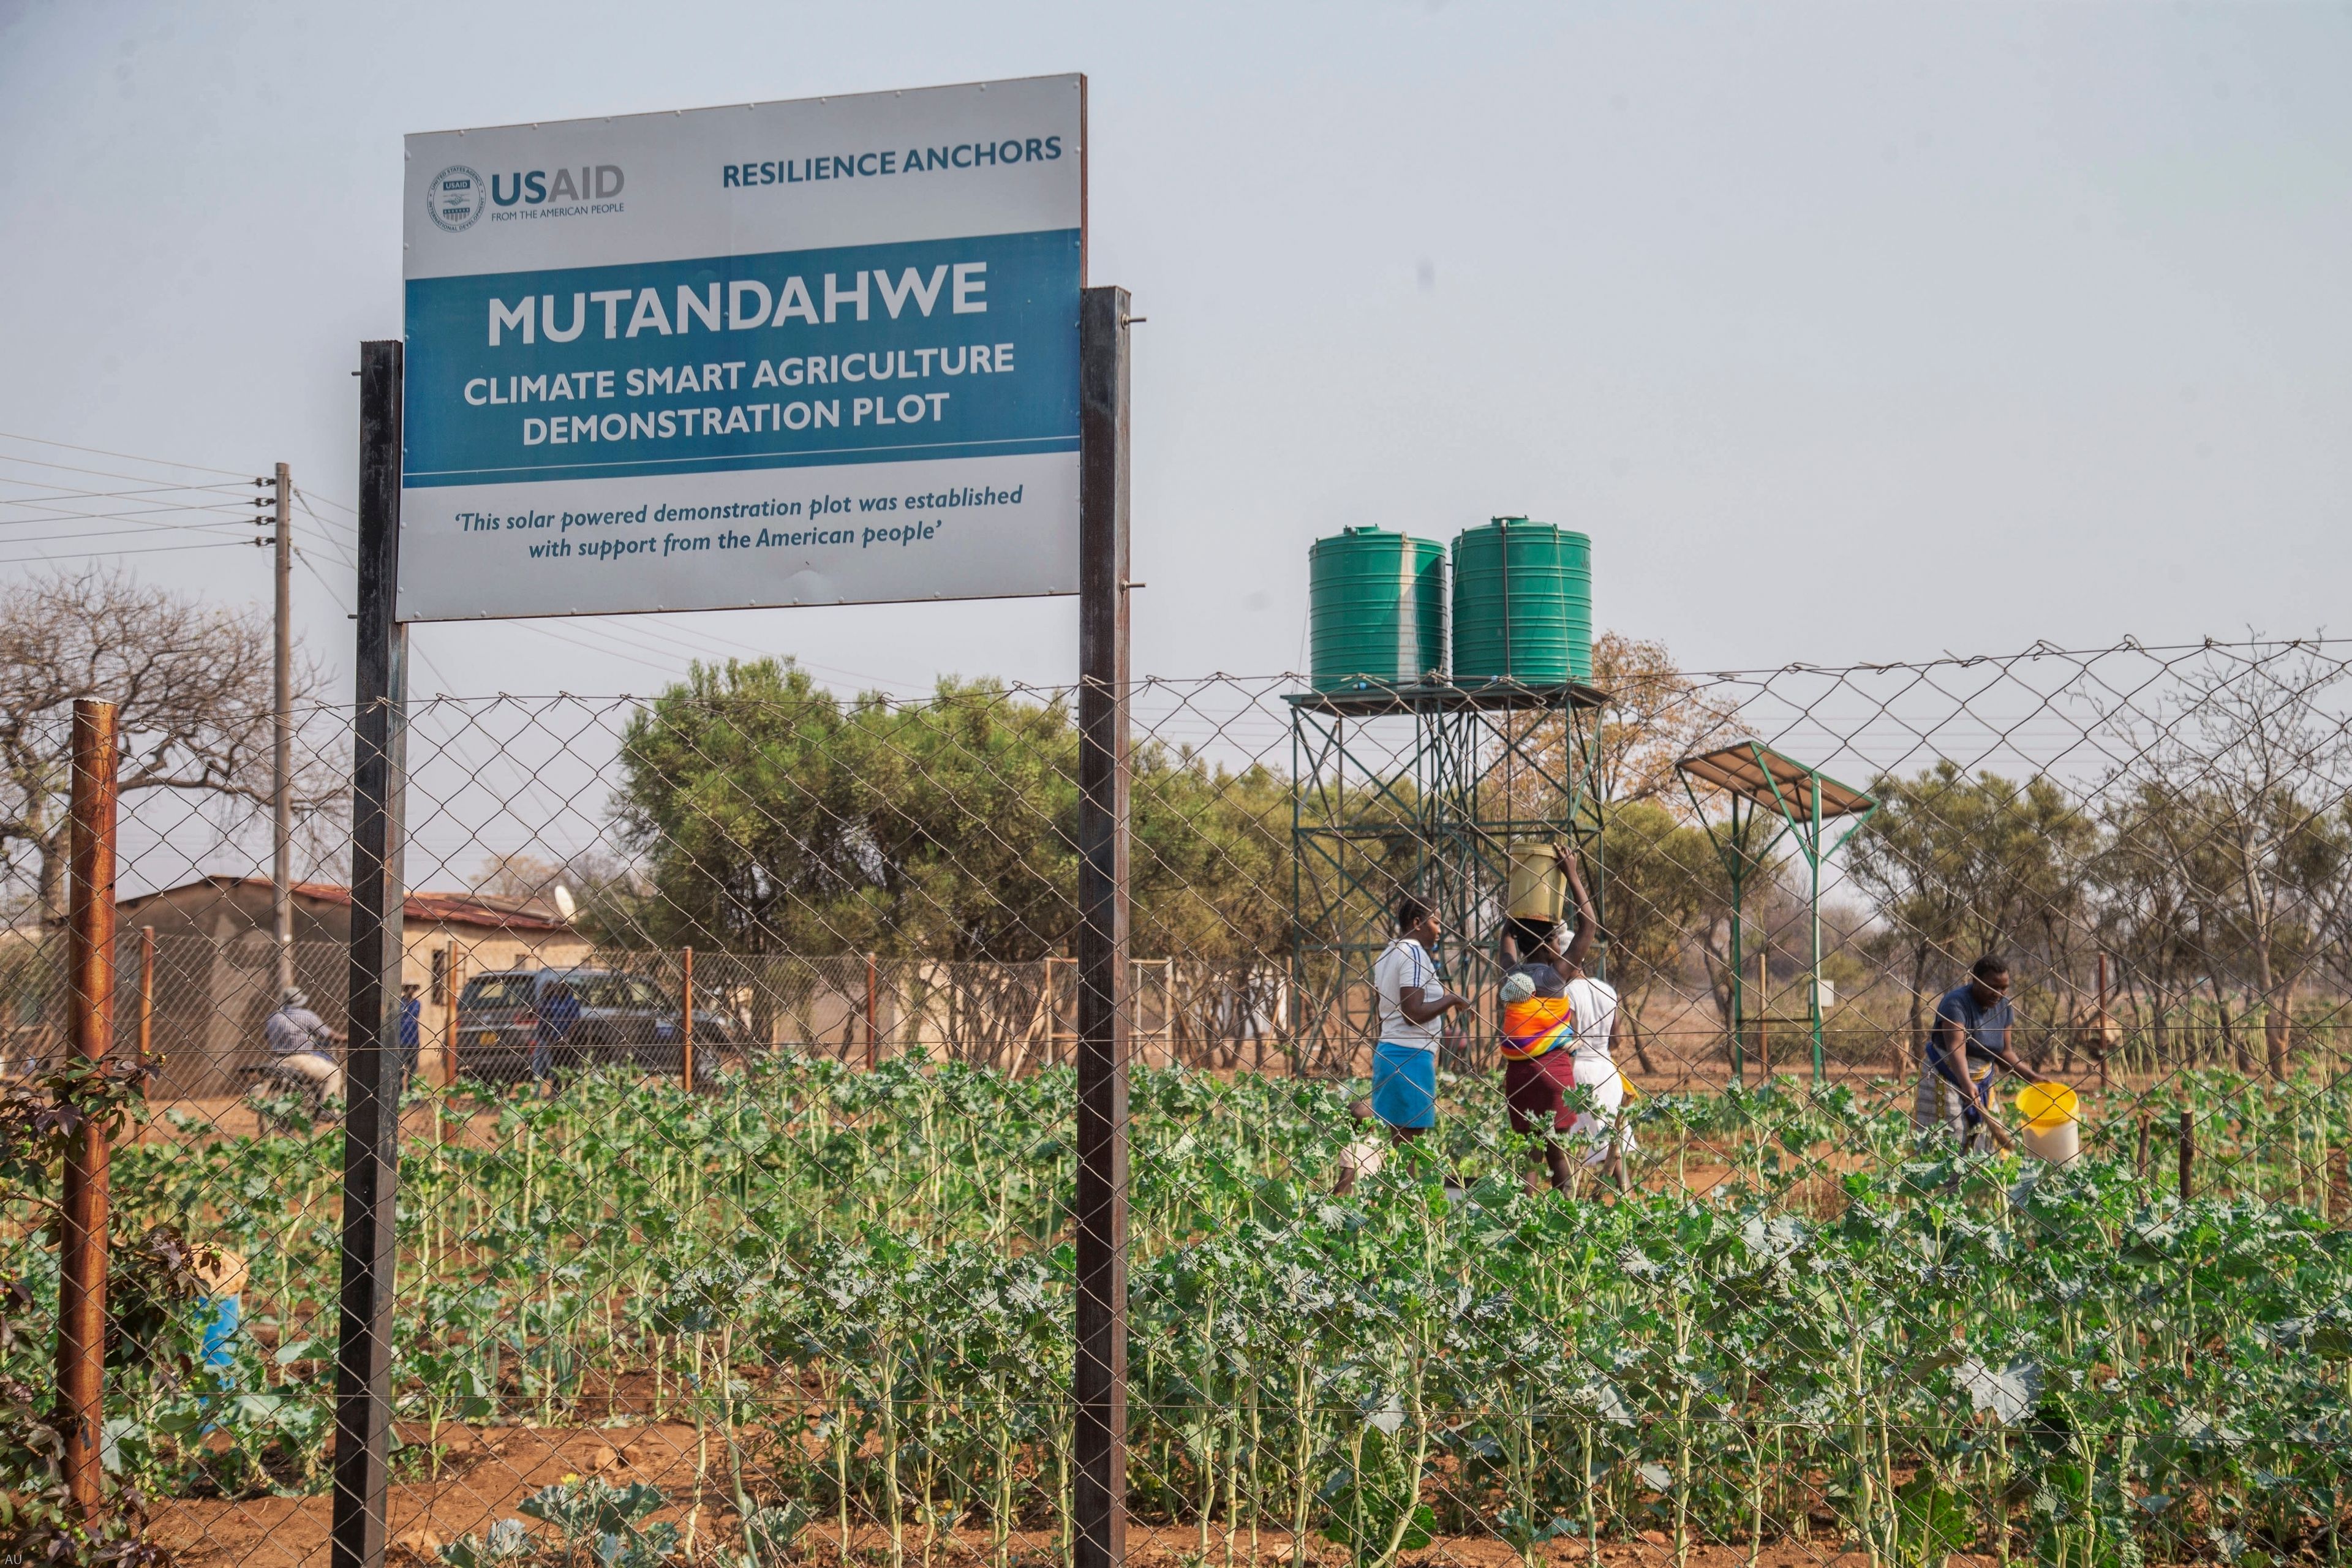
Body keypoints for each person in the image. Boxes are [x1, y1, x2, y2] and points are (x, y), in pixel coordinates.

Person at [1498, 847, 1626, 1193]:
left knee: (1530, 1156)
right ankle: (1565, 1210)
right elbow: (1590, 924)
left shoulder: (1511, 976)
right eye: (1556, 938)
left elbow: (1507, 941)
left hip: (1518, 1075)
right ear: (1549, 944)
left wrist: (1516, 908)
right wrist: (1571, 875)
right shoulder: (1556, 976)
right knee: (1556, 1154)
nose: (1560, 943)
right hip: (1552, 1071)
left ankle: (1524, 1217)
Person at [1370, 895, 1474, 1149]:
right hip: (1411, 1058)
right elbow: (1412, 1013)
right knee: (1411, 1148)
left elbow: (1383, 1006)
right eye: (1436, 923)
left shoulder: (1388, 953)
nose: (1439, 930)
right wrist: (1451, 999)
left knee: (1400, 1143)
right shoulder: (1414, 953)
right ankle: (1406, 1190)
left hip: (1388, 1052)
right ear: (1418, 923)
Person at [1913, 955, 2030, 1152]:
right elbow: (1956, 1047)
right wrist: (1966, 1083)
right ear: (1976, 980)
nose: (1999, 994)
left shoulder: (2005, 1006)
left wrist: (2032, 1076)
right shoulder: (1955, 1003)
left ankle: (1978, 1183)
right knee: (1951, 1137)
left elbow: (2005, 1052)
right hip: (1946, 1074)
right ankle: (1947, 1183)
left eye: (2004, 988)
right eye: (1993, 987)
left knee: (1986, 1143)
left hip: (1982, 1079)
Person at [262, 987, 344, 1101]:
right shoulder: (307, 1016)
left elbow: (266, 1036)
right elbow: (327, 1034)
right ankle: (326, 1110)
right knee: (334, 1074)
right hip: (301, 1059)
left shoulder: (273, 1017)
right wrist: (346, 1038)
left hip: (277, 1059)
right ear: (300, 1001)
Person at [533, 976, 582, 1083]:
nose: (557, 991)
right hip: (551, 1037)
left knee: (562, 1063)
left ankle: (562, 1086)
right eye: (557, 989)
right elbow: (544, 1014)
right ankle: (553, 1088)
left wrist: (568, 1036)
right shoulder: (554, 1000)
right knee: (548, 1064)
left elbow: (575, 1020)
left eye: (560, 989)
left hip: (564, 1038)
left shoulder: (571, 1002)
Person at [398, 982, 423, 1088]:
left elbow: (414, 1015)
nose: (410, 990)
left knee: (413, 1069)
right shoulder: (399, 1003)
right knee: (400, 1069)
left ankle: (411, 1094)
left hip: (413, 1039)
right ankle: (398, 1094)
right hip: (401, 1039)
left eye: (413, 988)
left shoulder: (417, 1003)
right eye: (408, 988)